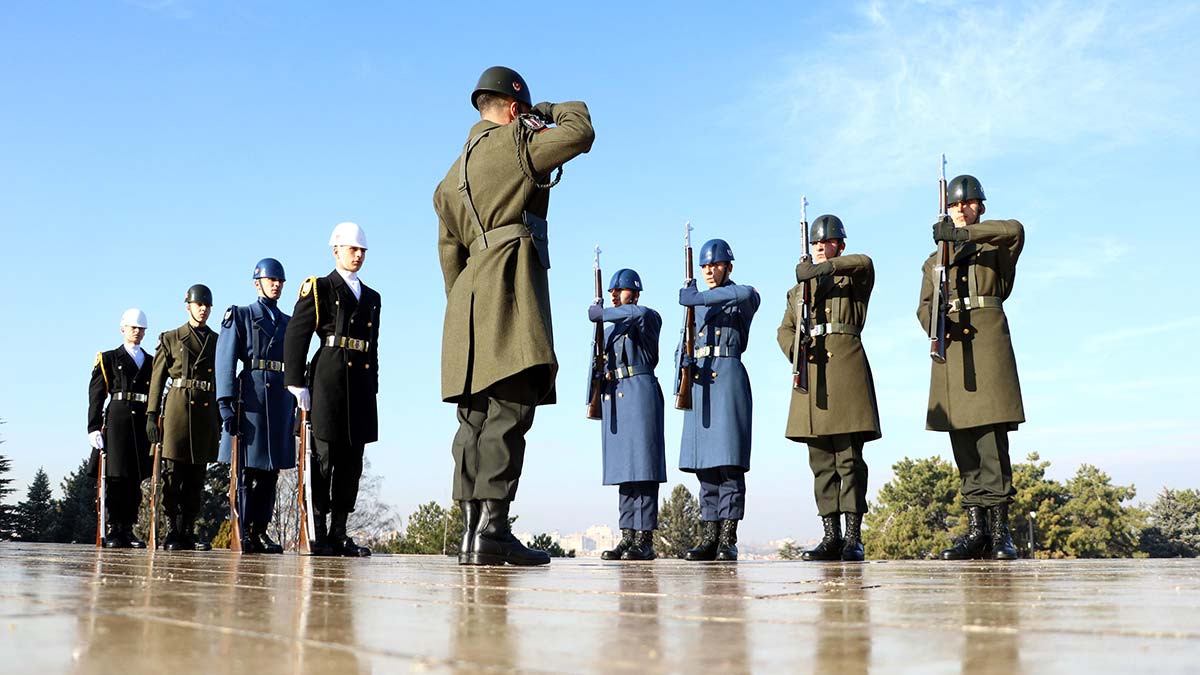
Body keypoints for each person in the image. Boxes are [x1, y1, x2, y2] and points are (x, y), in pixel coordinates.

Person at [433, 65, 594, 566]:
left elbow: (448, 257)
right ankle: (494, 532)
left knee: (474, 420)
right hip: (508, 284)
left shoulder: (448, 179)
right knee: (508, 410)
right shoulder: (516, 143)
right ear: (511, 108)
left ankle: (469, 533)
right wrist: (543, 112)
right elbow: (581, 129)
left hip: (466, 300)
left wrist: (464, 314)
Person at [917, 174, 1024, 561]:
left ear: (981, 206)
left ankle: (1000, 532)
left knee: (990, 440)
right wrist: (936, 322)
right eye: (955, 205)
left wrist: (962, 238)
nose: (961, 209)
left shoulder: (994, 244)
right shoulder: (934, 262)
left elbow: (1015, 230)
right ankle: (977, 530)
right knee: (963, 441)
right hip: (953, 346)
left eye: (968, 203)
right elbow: (924, 305)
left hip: (987, 341)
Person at [776, 215, 881, 561]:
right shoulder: (796, 292)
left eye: (828, 241)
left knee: (848, 459)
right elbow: (784, 330)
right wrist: (797, 349)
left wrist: (820, 271)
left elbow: (865, 262)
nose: (820, 247)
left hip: (846, 372)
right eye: (816, 243)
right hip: (813, 371)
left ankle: (853, 536)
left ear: (840, 244)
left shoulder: (852, 279)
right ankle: (830, 536)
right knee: (821, 461)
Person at [284, 222, 380, 557]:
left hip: (360, 386)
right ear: (335, 250)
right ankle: (319, 531)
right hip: (328, 380)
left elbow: (373, 346)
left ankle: (340, 531)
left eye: (362, 250)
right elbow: (297, 334)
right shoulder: (319, 287)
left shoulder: (371, 297)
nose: (358, 255)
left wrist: (374, 386)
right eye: (352, 249)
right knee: (324, 458)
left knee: (352, 461)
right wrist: (296, 383)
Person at [677, 238, 760, 562]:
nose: (710, 270)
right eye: (705, 266)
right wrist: (679, 372)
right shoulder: (695, 305)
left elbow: (747, 293)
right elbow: (682, 341)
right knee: (705, 469)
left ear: (729, 267)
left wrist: (698, 297)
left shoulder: (739, 298)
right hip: (699, 383)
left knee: (729, 466)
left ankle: (728, 537)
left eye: (716, 265)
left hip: (726, 378)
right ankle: (709, 536)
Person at [216, 258, 295, 554]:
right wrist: (225, 405)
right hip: (251, 398)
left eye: (279, 281)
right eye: (271, 280)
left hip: (279, 401)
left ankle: (261, 531)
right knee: (248, 471)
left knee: (270, 471)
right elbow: (224, 362)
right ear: (257, 283)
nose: (276, 285)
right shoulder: (242, 315)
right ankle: (244, 529)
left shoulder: (288, 322)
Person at [587, 268, 666, 561]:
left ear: (634, 292)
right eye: (611, 292)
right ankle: (628, 536)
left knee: (643, 471)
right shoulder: (609, 329)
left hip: (640, 394)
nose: (613, 296)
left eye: (618, 291)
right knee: (624, 472)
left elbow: (639, 314)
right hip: (616, 397)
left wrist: (602, 313)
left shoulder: (646, 317)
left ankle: (644, 539)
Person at [146, 285, 220, 551]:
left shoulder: (216, 340)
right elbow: (157, 380)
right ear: (187, 305)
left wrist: (222, 416)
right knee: (172, 475)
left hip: (205, 412)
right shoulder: (171, 338)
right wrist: (152, 415)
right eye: (199, 304)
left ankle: (188, 530)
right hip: (178, 410)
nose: (203, 309)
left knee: (197, 476)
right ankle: (172, 530)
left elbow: (222, 379)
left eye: (207, 306)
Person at [87, 308, 154, 548]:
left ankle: (128, 528)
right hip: (117, 421)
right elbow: (96, 394)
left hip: (140, 422)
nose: (137, 332)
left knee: (134, 478)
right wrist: (94, 426)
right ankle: (114, 528)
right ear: (122, 329)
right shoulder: (108, 358)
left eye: (141, 328)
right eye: (133, 327)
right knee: (115, 477)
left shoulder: (151, 361)